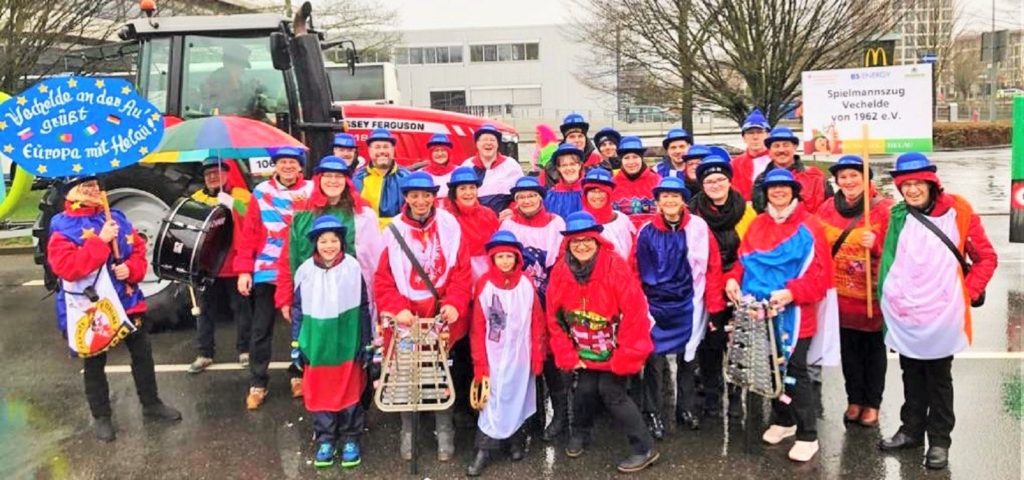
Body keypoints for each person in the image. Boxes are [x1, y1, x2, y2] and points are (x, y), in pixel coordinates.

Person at [877, 152, 997, 470]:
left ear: (932, 183)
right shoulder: (898, 215)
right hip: (907, 316)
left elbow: (986, 258)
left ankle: (940, 441)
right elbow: (891, 258)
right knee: (911, 375)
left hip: (943, 316)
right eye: (906, 184)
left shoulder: (959, 211)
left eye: (918, 183)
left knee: (938, 380)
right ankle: (912, 431)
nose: (912, 190)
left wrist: (967, 294)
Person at [48, 176, 182, 442]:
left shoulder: (116, 217)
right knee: (95, 363)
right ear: (72, 193)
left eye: (96, 186)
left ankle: (151, 403)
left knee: (142, 353)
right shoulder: (61, 226)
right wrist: (100, 241)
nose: (94, 190)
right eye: (86, 187)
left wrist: (130, 269)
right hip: (91, 309)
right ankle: (102, 416)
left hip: (127, 300)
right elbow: (68, 268)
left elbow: (138, 250)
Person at [725, 168, 838, 462]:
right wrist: (733, 279)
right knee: (768, 369)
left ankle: (808, 434)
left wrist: (792, 292)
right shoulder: (756, 224)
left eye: (784, 188)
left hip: (795, 314)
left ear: (794, 191)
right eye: (773, 188)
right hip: (757, 312)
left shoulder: (811, 226)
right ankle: (784, 420)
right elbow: (743, 261)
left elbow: (821, 276)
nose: (778, 192)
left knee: (795, 373)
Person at [546, 211, 659, 473]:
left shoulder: (614, 266)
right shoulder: (561, 270)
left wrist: (627, 355)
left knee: (612, 392)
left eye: (588, 240)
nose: (582, 245)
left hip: (615, 348)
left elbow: (635, 313)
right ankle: (580, 433)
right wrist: (566, 353)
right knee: (585, 389)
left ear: (598, 241)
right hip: (584, 350)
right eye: (576, 241)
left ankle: (644, 448)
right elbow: (553, 317)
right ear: (568, 244)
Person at [373, 172, 473, 462]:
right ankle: (409, 430)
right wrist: (395, 307)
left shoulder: (450, 226)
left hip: (439, 315)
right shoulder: (392, 231)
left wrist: (454, 302)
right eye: (414, 195)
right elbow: (382, 278)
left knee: (443, 372)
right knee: (406, 372)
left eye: (426, 195)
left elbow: (461, 271)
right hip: (406, 317)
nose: (420, 201)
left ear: (433, 196)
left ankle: (445, 430)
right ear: (406, 197)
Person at [274, 156, 383, 400]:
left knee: (353, 354)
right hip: (314, 301)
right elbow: (288, 257)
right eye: (327, 176)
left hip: (350, 300)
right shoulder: (302, 213)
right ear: (318, 179)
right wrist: (285, 296)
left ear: (346, 181)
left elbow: (376, 261)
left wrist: (379, 302)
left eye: (338, 176)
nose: (333, 181)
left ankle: (354, 409)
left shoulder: (362, 213)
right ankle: (324, 413)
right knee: (317, 354)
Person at [633, 176, 726, 438]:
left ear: (683, 200)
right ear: (658, 202)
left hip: (689, 304)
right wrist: (639, 308)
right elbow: (636, 270)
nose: (670, 201)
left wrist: (715, 306)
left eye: (675, 196)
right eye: (665, 197)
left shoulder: (699, 227)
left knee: (689, 358)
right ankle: (652, 412)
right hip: (655, 307)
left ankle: (685, 409)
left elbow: (713, 268)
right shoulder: (646, 231)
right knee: (653, 362)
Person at [815, 155, 893, 428]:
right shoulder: (826, 208)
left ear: (866, 178)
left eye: (854, 176)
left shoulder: (884, 209)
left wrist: (878, 245)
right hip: (839, 298)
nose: (848, 181)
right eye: (843, 177)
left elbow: (898, 252)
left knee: (872, 352)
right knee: (848, 351)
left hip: (871, 298)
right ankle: (854, 399)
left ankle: (873, 403)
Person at [289, 215, 372, 469]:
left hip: (347, 343)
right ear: (315, 243)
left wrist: (367, 343)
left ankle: (350, 438)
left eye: (334, 240)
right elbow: (298, 310)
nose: (329, 246)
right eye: (323, 241)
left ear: (341, 242)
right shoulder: (305, 271)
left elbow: (363, 307)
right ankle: (325, 438)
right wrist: (296, 344)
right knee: (321, 392)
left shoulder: (353, 267)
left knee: (350, 390)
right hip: (317, 345)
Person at [234, 146, 314, 409]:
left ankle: (299, 374)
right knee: (261, 328)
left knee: (302, 326)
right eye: (283, 162)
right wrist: (244, 270)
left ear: (300, 167)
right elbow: (249, 233)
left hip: (301, 268)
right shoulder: (261, 193)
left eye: (293, 162)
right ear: (275, 166)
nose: (288, 167)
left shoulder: (313, 191)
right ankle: (258, 382)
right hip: (267, 269)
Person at [466, 231, 547, 477]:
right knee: (492, 400)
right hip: (493, 356)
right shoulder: (485, 285)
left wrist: (538, 356)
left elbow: (537, 321)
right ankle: (484, 449)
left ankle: (514, 440)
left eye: (509, 256)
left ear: (516, 258)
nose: (504, 261)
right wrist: (480, 364)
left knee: (518, 397)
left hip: (521, 355)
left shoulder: (526, 283)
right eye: (499, 256)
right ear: (493, 258)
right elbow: (478, 328)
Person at [498, 176, 568, 441]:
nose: (526, 200)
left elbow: (560, 260)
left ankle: (560, 415)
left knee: (550, 356)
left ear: (540, 197)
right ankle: (531, 416)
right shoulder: (508, 224)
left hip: (549, 295)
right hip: (519, 298)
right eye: (521, 197)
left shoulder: (556, 223)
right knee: (524, 355)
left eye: (531, 195)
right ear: (515, 201)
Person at [687, 154, 757, 418]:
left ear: (729, 181)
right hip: (706, 283)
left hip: (740, 281)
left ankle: (736, 394)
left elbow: (752, 250)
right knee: (710, 342)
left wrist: (735, 277)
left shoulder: (746, 211)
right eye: (709, 181)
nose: (715, 184)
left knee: (738, 342)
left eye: (720, 179)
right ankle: (712, 393)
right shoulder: (693, 212)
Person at [187, 158, 253, 374]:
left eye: (217, 172)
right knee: (205, 311)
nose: (213, 177)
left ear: (227, 174)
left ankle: (245, 350)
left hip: (234, 263)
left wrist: (232, 204)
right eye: (208, 174)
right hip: (207, 266)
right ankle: (204, 353)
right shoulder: (196, 199)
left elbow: (252, 218)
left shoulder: (241, 196)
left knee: (241, 309)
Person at [751, 126, 833, 214]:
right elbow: (759, 211)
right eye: (776, 146)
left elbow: (829, 208)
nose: (781, 150)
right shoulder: (761, 180)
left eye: (786, 145)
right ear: (770, 150)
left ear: (794, 147)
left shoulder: (815, 176)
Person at [444, 167, 500, 280]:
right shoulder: (446, 218)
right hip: (458, 276)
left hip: (487, 276)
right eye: (462, 188)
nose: (468, 193)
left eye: (472, 188)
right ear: (454, 192)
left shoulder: (489, 214)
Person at [354, 128, 411, 226]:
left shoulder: (407, 178)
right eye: (377, 147)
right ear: (369, 150)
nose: (382, 151)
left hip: (398, 237)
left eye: (386, 147)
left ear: (393, 150)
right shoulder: (357, 179)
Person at [462, 124, 522, 213]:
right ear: (477, 144)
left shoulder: (511, 165)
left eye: (492, 140)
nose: (488, 143)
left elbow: (521, 193)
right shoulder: (467, 166)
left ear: (498, 144)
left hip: (504, 221)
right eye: (484, 140)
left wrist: (511, 210)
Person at [581, 168, 634, 259]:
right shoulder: (579, 223)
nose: (597, 196)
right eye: (593, 191)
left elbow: (633, 251)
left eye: (602, 191)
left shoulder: (623, 220)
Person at [611, 136, 661, 231]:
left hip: (651, 238)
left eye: (635, 157)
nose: (631, 162)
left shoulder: (657, 181)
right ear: (621, 160)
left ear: (641, 158)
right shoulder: (612, 183)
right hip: (624, 239)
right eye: (626, 158)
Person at [201, 43, 264, 117]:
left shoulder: (239, 83)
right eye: (241, 66)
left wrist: (252, 90)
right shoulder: (214, 83)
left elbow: (244, 102)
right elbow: (214, 105)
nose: (242, 71)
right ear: (229, 63)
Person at [731, 108, 772, 201]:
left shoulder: (778, 160)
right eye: (750, 133)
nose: (755, 137)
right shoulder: (735, 164)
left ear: (768, 135)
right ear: (744, 137)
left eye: (760, 132)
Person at [544, 143, 586, 220]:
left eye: (572, 164)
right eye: (564, 165)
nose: (568, 168)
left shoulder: (589, 192)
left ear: (579, 165)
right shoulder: (550, 196)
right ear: (558, 168)